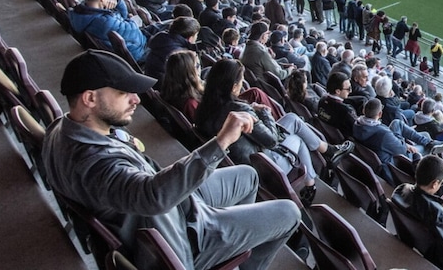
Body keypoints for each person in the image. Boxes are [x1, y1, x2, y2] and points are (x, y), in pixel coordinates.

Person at [43, 50, 301, 269]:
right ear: (89, 98)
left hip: (176, 206)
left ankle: (233, 246)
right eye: (124, 92)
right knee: (289, 212)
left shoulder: (62, 129)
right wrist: (221, 142)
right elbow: (153, 196)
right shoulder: (95, 163)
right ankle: (223, 247)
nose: (136, 99)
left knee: (247, 175)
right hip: (181, 235)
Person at [195, 59, 351, 205]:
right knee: (300, 139)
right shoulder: (239, 110)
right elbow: (271, 140)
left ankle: (326, 155)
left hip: (245, 153)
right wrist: (264, 113)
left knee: (292, 118)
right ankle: (312, 180)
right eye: (241, 81)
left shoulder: (204, 106)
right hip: (264, 164)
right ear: (234, 86)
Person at [68, 0, 148, 61]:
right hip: (137, 52)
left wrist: (117, 2)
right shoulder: (104, 22)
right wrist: (132, 20)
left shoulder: (84, 12)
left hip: (127, 43)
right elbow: (133, 30)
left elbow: (124, 17)